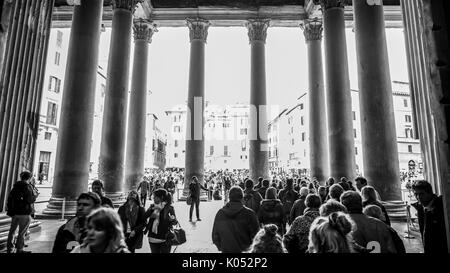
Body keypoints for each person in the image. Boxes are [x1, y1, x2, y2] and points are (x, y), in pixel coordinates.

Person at [212, 186, 260, 253]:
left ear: (229, 197)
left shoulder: (220, 214)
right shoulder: (249, 214)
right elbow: (256, 236)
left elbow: (215, 235)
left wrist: (222, 247)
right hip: (245, 251)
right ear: (242, 197)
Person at [411, 180, 448, 253]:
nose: (418, 197)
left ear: (429, 193)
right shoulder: (420, 209)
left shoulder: (442, 205)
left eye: (421, 194)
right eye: (416, 194)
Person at [6, 171, 36, 253]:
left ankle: (10, 248)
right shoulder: (27, 187)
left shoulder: (15, 187)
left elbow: (9, 199)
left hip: (15, 213)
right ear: (29, 178)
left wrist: (11, 210)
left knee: (12, 231)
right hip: (25, 213)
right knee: (21, 233)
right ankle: (19, 249)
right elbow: (30, 200)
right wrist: (35, 196)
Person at [144, 189, 177, 253]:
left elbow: (175, 222)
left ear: (161, 197)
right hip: (153, 238)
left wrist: (172, 219)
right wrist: (150, 210)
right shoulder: (152, 207)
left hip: (165, 238)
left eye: (155, 196)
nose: (153, 198)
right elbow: (144, 217)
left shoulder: (169, 208)